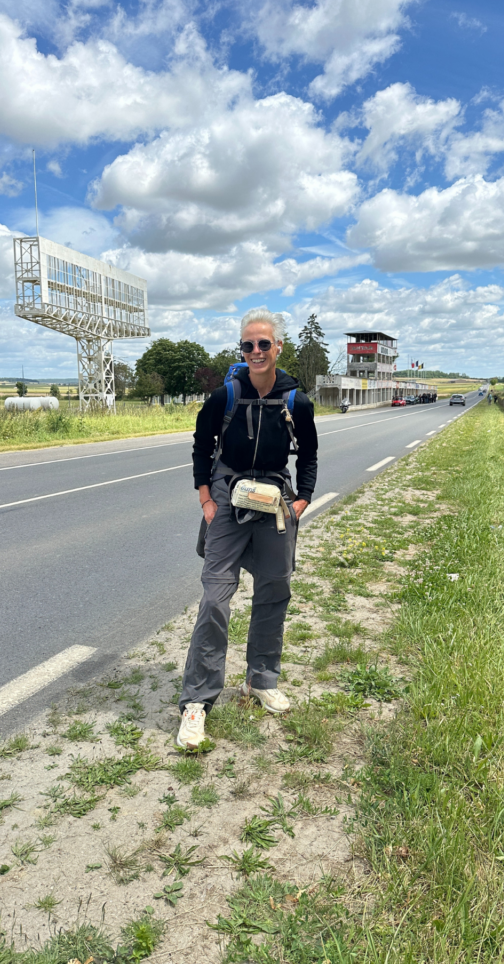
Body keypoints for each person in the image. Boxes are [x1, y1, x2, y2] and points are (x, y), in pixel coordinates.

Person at [176, 309, 318, 749]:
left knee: (275, 590)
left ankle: (260, 679)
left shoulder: (298, 401)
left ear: (278, 348)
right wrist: (205, 498)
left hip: (275, 501)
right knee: (215, 597)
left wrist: (302, 500)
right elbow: (202, 444)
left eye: (263, 344)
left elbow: (308, 454)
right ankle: (197, 702)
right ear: (242, 351)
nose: (256, 351)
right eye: (247, 345)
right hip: (227, 495)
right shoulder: (225, 396)